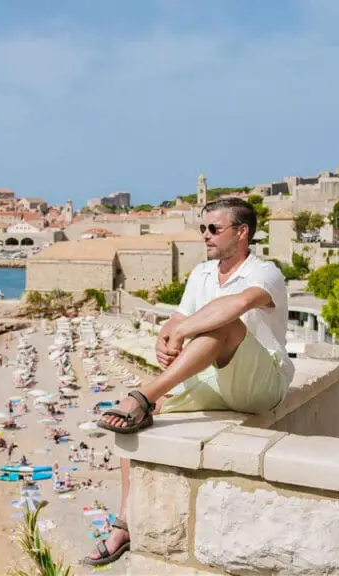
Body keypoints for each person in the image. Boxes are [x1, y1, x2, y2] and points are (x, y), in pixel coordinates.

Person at [86, 198, 294, 567]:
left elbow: (237, 305)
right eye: (203, 228)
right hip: (212, 381)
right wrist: (165, 338)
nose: (205, 235)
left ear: (242, 232)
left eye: (214, 228)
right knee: (134, 423)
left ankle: (146, 393)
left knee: (225, 324)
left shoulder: (266, 273)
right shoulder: (201, 273)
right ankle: (124, 522)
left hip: (260, 386)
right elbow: (178, 316)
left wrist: (183, 330)